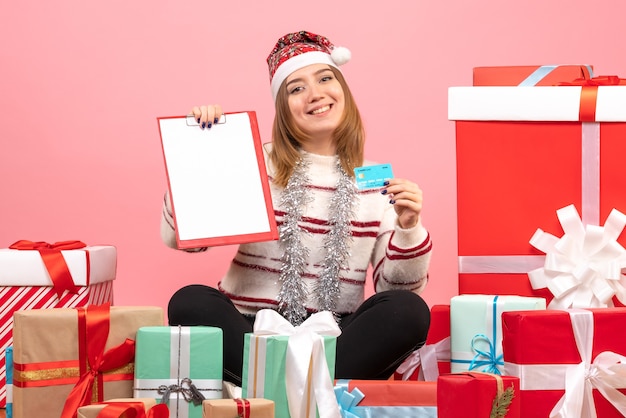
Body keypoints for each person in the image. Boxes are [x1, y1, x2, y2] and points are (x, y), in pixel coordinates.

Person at [161, 30, 433, 387]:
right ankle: (311, 390)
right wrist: (205, 146)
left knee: (408, 312)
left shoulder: (375, 180)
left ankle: (276, 387)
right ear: (283, 109)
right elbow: (182, 237)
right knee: (190, 301)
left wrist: (409, 226)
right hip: (250, 327)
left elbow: (396, 288)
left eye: (325, 78)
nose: (315, 93)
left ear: (344, 92)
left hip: (335, 335)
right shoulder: (254, 160)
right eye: (296, 87)